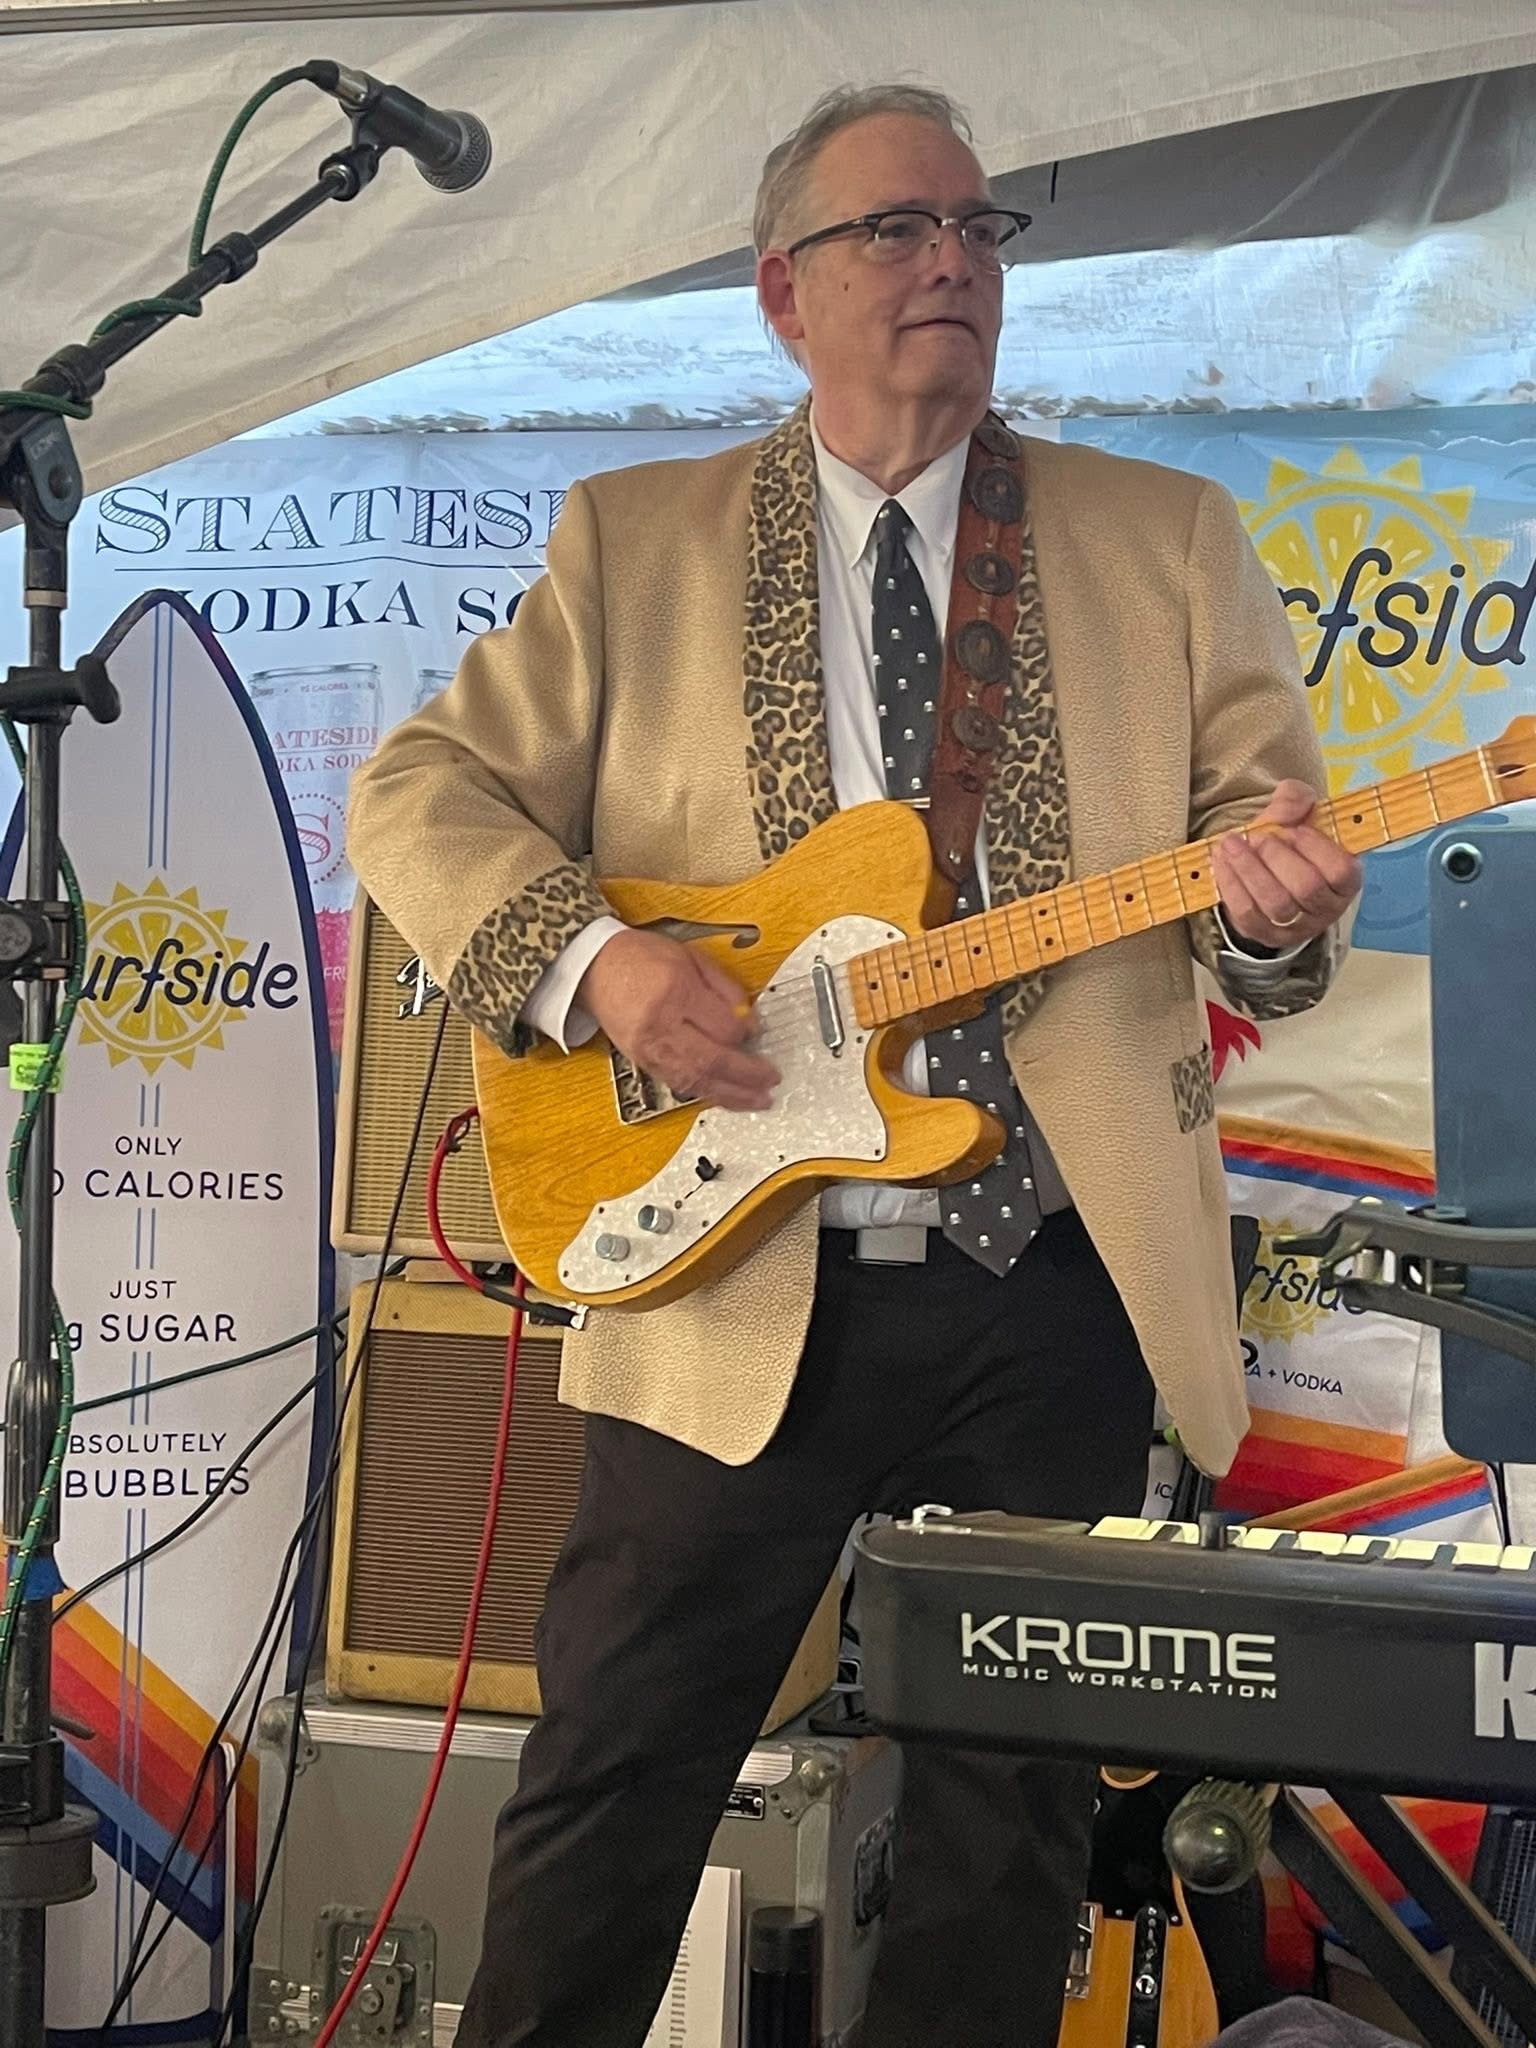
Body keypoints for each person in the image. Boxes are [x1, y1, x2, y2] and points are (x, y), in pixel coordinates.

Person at [348, 82, 1361, 2048]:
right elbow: (416, 794)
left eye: (980, 230)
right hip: (729, 1266)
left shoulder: (1166, 539)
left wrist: (1271, 911)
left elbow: (1263, 868)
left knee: (1006, 1830)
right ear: (780, 292)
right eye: (896, 229)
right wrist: (601, 966)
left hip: (1054, 1275)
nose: (950, 263)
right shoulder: (633, 540)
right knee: (612, 1787)